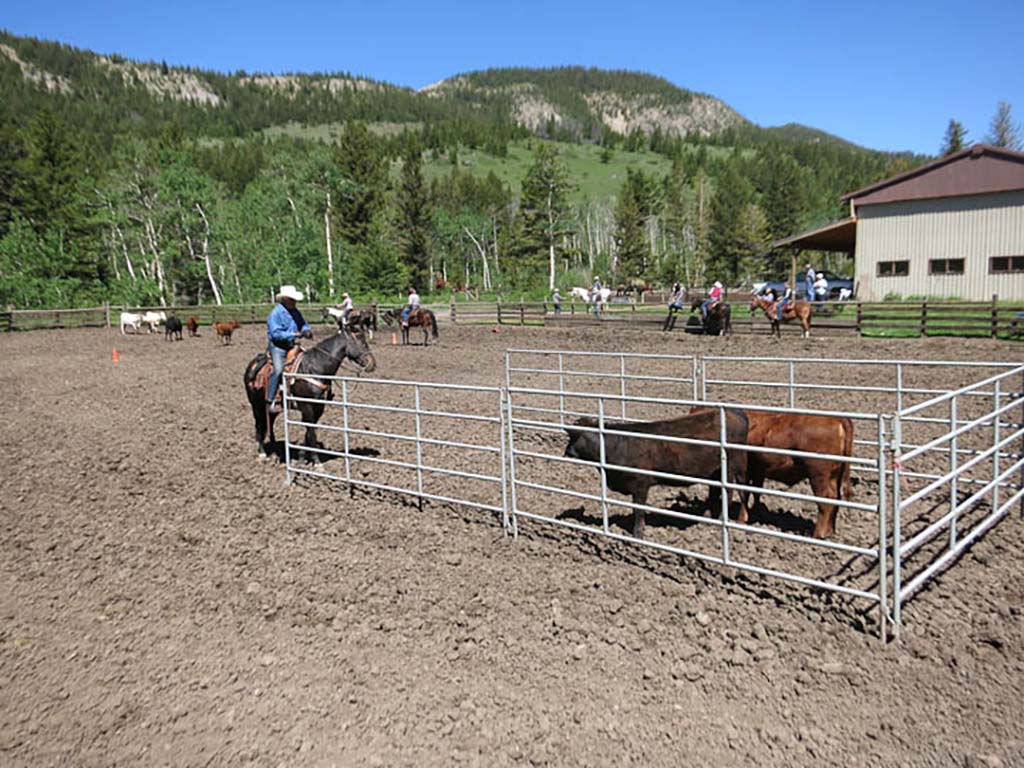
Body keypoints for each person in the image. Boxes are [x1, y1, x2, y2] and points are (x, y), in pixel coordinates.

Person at [266, 285, 312, 414]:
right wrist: (293, 335)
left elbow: (303, 324)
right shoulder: (275, 313)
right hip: (278, 346)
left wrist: (306, 330)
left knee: (307, 363)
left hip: (292, 344)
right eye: (292, 299)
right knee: (279, 369)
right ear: (285, 299)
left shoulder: (295, 311)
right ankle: (271, 400)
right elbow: (275, 334)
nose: (294, 302)